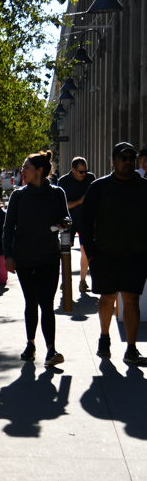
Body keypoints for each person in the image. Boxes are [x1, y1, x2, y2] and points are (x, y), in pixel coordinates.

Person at [80, 142, 147, 363]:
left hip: (136, 256)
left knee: (131, 299)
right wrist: (91, 254)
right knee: (107, 298)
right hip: (105, 255)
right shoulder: (99, 187)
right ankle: (104, 337)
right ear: (113, 161)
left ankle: (131, 348)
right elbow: (85, 223)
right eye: (123, 158)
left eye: (131, 158)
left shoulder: (144, 187)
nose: (128, 162)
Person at [3, 150, 70, 366]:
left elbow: (66, 218)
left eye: (26, 167)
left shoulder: (57, 193)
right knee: (31, 302)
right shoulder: (18, 196)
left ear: (39, 171)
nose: (22, 171)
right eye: (23, 167)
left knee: (47, 304)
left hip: (49, 257)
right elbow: (8, 228)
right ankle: (30, 344)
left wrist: (64, 223)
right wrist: (8, 256)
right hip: (25, 258)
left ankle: (51, 350)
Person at [56, 156, 96, 292]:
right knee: (65, 252)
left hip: (85, 220)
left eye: (86, 171)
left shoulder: (90, 178)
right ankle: (65, 280)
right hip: (68, 221)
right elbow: (62, 205)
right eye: (81, 172)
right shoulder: (63, 181)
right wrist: (79, 201)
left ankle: (83, 281)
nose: (84, 174)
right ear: (73, 170)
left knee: (85, 250)